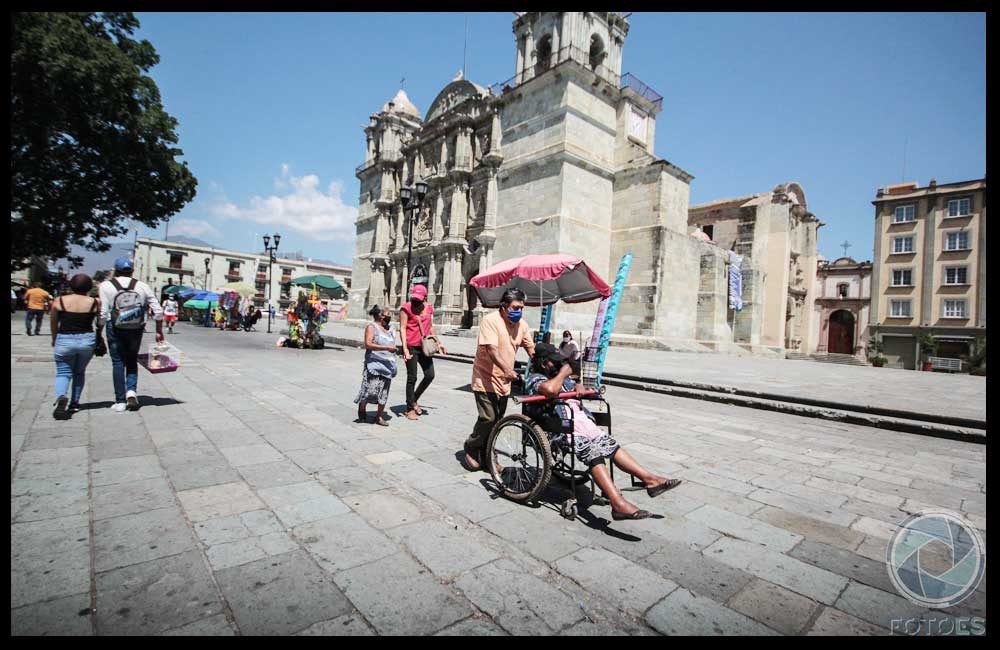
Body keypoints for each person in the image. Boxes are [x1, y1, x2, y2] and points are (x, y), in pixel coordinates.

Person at [526, 342, 682, 520]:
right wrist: (563, 373)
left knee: (610, 445)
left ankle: (650, 480)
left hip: (582, 424)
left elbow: (575, 386)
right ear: (545, 363)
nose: (560, 365)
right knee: (593, 453)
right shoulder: (535, 378)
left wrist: (579, 387)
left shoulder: (562, 378)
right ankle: (618, 503)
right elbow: (549, 390)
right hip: (559, 429)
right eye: (556, 362)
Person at [463, 288, 535, 471]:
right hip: (485, 377)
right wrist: (507, 370)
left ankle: (488, 455)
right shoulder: (490, 321)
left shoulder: (522, 326)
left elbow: (531, 348)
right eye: (515, 307)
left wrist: (547, 361)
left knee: (497, 421)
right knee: (488, 418)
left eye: (521, 308)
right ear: (503, 307)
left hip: (504, 382)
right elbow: (491, 350)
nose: (519, 311)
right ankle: (472, 445)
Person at [98, 257, 164, 412]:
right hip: (136, 328)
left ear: (115, 270)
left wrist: (98, 331)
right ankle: (131, 393)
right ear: (132, 271)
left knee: (118, 362)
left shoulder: (106, 286)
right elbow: (158, 311)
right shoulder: (142, 286)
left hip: (114, 327)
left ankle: (120, 400)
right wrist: (159, 330)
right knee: (132, 360)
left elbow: (103, 313)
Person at [49, 274, 103, 419]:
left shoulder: (59, 301)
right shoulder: (95, 302)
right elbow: (100, 322)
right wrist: (100, 337)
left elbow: (54, 323)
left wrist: (55, 338)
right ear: (89, 287)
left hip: (64, 339)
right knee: (79, 372)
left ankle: (61, 397)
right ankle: (75, 402)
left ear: (71, 285)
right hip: (86, 340)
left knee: (63, 372)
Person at [399, 284, 446, 420]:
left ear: (425, 298)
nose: (416, 302)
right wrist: (405, 349)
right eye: (414, 298)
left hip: (425, 347)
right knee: (412, 377)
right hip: (411, 346)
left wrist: (439, 343)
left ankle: (413, 400)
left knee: (430, 375)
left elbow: (430, 328)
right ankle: (409, 409)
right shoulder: (406, 308)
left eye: (419, 299)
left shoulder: (429, 308)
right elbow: (402, 328)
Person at [354, 305, 398, 426]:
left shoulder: (391, 329)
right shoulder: (372, 327)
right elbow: (368, 344)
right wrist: (387, 348)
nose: (389, 316)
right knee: (369, 390)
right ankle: (362, 407)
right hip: (374, 364)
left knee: (384, 392)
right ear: (380, 315)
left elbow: (393, 344)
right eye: (387, 314)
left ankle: (378, 416)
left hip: (388, 365)